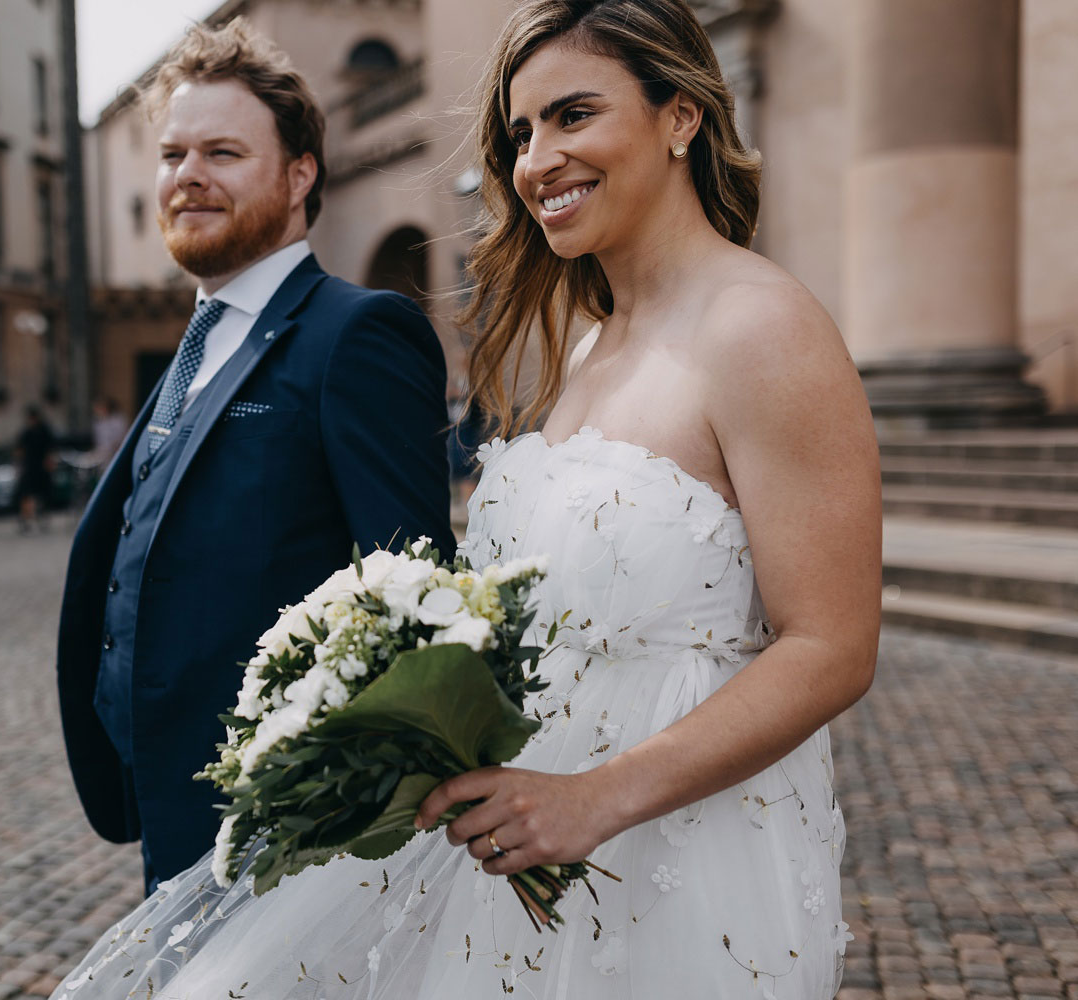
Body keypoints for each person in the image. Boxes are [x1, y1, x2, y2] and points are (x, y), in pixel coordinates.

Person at [45, 1, 880, 997]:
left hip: (667, 852)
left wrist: (596, 798)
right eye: (522, 133)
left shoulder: (764, 327)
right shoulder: (584, 346)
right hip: (515, 851)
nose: (536, 161)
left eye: (574, 115)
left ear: (680, 118)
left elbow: (830, 646)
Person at [54, 18, 455, 898]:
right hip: (172, 815)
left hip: (294, 846)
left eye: (223, 153)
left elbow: (418, 602)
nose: (188, 176)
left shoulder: (358, 335)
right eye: (171, 155)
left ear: (299, 174)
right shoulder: (197, 346)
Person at [14, 403, 56, 534]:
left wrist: (49, 462)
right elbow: (19, 450)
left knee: (42, 493)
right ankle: (26, 518)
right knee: (26, 494)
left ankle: (40, 515)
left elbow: (51, 448)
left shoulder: (44, 431)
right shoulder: (26, 432)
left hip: (40, 466)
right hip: (30, 466)